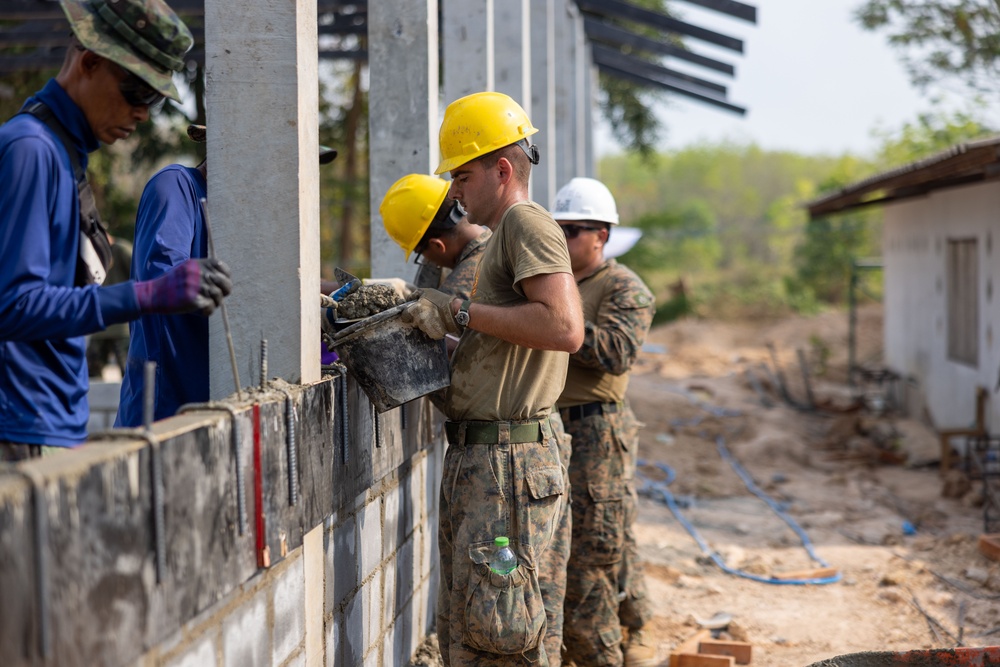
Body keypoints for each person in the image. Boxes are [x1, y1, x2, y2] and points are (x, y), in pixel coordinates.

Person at [0, 0, 233, 461]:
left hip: (47, 423)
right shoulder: (31, 150)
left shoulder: (65, 157)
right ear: (90, 62)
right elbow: (13, 305)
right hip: (17, 422)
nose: (144, 113)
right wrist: (143, 295)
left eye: (154, 100)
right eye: (137, 93)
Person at [401, 91, 584, 666]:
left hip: (508, 465)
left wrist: (457, 313)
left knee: (503, 637)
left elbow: (563, 326)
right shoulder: (502, 236)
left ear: (502, 170)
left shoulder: (525, 223)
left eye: (463, 174)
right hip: (488, 461)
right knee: (477, 631)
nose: (455, 190)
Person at [117, 125, 336, 426]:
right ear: (240, 154)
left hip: (225, 415)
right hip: (167, 413)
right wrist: (290, 300)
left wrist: (344, 294)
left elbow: (275, 282)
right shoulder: (177, 186)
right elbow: (169, 280)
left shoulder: (245, 220)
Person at [551, 177, 656, 667]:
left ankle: (616, 641)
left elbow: (616, 352)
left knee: (595, 549)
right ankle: (632, 624)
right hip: (554, 428)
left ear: (602, 236)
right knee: (594, 541)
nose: (565, 239)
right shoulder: (554, 282)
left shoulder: (624, 288)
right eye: (560, 229)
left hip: (596, 430)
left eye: (575, 230)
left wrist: (555, 325)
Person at [380, 172, 491, 303]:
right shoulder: (501, 240)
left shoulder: (454, 297)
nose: (426, 259)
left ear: (437, 245)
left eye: (420, 253)